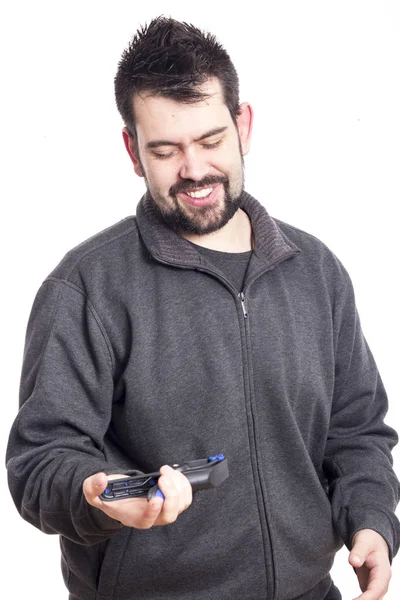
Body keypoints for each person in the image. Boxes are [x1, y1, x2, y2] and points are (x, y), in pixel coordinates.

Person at [6, 16, 400, 600]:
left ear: (243, 125)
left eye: (211, 141)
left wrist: (371, 518)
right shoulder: (85, 287)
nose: (193, 170)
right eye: (165, 150)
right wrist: (100, 494)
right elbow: (40, 462)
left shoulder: (316, 272)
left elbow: (356, 430)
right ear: (132, 151)